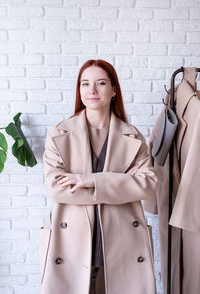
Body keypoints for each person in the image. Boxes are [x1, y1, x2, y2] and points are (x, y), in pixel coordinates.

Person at [40, 59, 157, 294]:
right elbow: (57, 190)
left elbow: (149, 185)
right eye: (85, 84)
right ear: (79, 90)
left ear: (114, 90)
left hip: (122, 247)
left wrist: (91, 180)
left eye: (100, 83)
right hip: (71, 246)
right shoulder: (59, 134)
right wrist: (122, 183)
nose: (92, 90)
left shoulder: (132, 137)